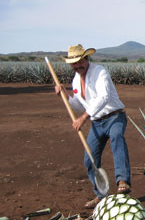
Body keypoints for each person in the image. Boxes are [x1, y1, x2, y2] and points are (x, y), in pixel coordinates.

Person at [55, 44, 131, 209]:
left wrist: (83, 118)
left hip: (114, 116)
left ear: (86, 58)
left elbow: (103, 97)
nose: (77, 66)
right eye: (74, 63)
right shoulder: (75, 80)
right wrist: (65, 95)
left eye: (79, 61)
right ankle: (101, 195)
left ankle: (123, 181)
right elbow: (79, 106)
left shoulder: (100, 72)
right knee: (90, 159)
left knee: (117, 138)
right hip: (97, 122)